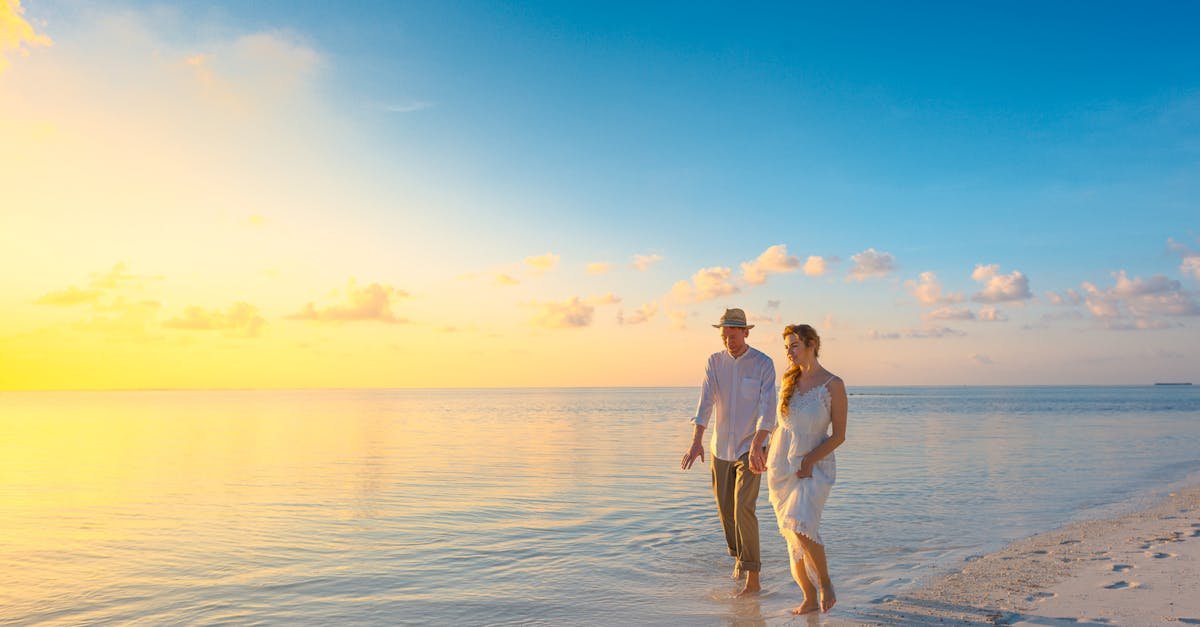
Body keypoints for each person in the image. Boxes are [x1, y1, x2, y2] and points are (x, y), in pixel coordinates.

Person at [680, 308, 777, 597]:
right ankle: (739, 558)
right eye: (724, 336)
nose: (728, 341)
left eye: (733, 336)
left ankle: (753, 578)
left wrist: (760, 441)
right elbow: (705, 403)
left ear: (746, 332)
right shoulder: (715, 362)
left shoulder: (763, 364)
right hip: (720, 448)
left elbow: (768, 406)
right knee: (726, 512)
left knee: (743, 508)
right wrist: (696, 440)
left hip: (751, 449)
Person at [766, 323, 846, 614]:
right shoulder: (788, 381)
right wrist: (760, 449)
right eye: (786, 347)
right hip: (781, 465)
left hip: (814, 465)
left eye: (794, 346)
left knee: (801, 524)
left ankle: (825, 583)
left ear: (812, 344)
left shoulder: (833, 385)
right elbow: (780, 425)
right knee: (791, 532)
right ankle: (808, 597)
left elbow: (839, 435)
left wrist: (810, 460)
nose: (789, 352)